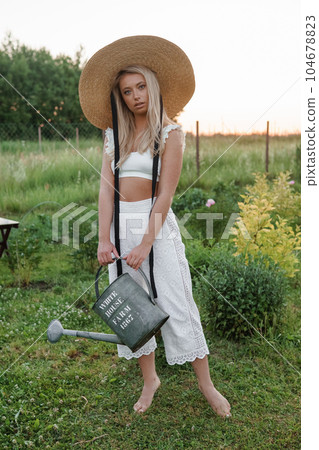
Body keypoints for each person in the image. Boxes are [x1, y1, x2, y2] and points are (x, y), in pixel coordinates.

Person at [79, 35, 231, 417]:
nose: (135, 96)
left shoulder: (170, 134)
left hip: (155, 227)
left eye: (141, 86)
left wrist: (147, 242)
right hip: (120, 227)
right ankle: (150, 381)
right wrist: (103, 237)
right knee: (134, 308)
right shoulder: (115, 135)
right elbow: (105, 191)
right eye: (127, 91)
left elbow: (164, 197)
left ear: (154, 84)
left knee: (176, 301)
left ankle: (206, 384)